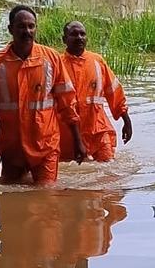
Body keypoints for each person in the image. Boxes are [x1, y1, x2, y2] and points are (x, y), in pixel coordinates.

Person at [0, 5, 84, 184]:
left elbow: (68, 103)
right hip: (11, 147)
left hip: (45, 145)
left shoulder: (51, 58)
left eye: (31, 26)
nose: (27, 31)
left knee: (46, 198)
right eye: (21, 26)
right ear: (10, 29)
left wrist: (78, 141)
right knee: (10, 202)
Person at [57, 20, 133, 163]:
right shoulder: (57, 64)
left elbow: (114, 92)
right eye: (74, 34)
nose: (79, 37)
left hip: (98, 130)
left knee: (109, 171)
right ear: (64, 39)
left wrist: (126, 121)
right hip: (67, 133)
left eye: (82, 34)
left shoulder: (97, 61)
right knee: (70, 173)